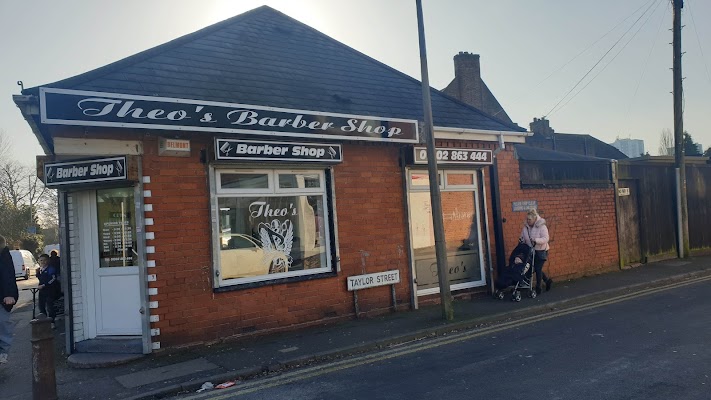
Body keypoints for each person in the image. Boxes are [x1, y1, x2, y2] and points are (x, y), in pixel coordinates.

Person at [520, 209, 553, 295]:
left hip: (541, 251)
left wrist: (536, 240)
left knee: (537, 269)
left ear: (535, 219)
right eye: (527, 219)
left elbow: (546, 238)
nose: (528, 221)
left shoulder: (542, 226)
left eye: (529, 219)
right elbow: (523, 237)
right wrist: (521, 240)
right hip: (531, 251)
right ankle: (547, 281)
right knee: (534, 268)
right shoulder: (526, 227)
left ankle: (538, 287)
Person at [0, 235, 19, 364]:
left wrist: (9, 294)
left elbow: (8, 275)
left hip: (2, 296)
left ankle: (3, 352)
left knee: (2, 323)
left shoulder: (4, 256)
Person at [37, 254, 59, 329]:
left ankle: (52, 321)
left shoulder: (51, 269)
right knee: (41, 305)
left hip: (50, 290)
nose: (43, 262)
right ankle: (44, 321)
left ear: (48, 261)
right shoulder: (39, 270)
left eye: (44, 260)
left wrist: (44, 285)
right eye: (41, 260)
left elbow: (53, 279)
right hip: (42, 291)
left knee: (50, 306)